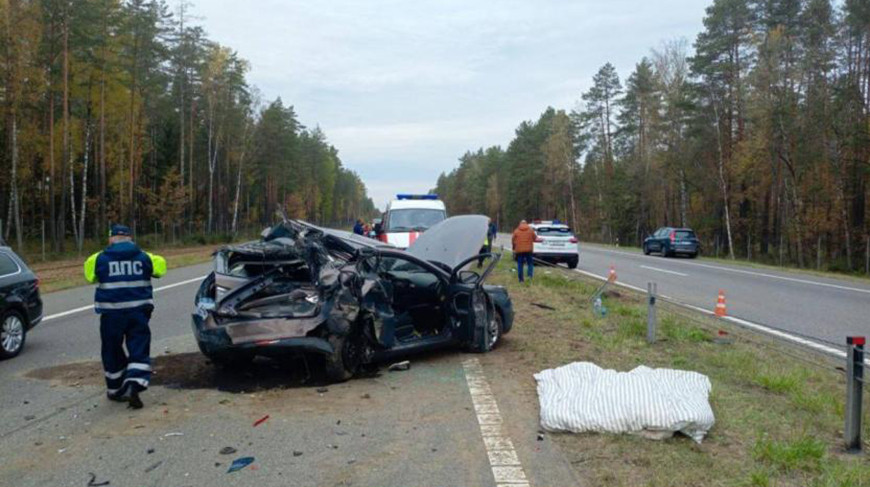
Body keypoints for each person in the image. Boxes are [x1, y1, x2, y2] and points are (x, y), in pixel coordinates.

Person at [84, 224, 166, 409]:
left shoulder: (97, 259)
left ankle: (115, 389)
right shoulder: (146, 257)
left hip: (111, 314)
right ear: (130, 238)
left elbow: (90, 277)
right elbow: (161, 269)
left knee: (111, 349)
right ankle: (134, 383)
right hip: (139, 313)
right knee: (138, 347)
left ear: (111, 238)